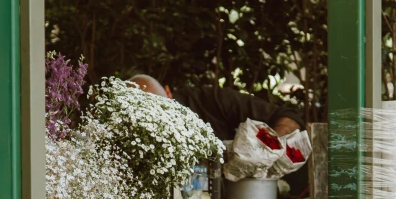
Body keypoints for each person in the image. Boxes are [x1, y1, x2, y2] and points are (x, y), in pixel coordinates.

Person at [129, 74, 303, 141]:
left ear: (168, 92)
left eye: (163, 108)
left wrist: (270, 142)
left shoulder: (210, 100)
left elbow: (288, 116)